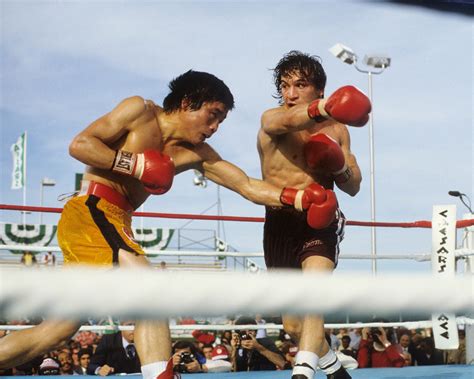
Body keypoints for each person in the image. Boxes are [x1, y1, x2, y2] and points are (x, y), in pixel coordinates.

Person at [0, 70, 320, 378]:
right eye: (213, 114)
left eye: (221, 120)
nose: (215, 126)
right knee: (148, 287)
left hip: (116, 221)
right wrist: (136, 164)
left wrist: (300, 197)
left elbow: (247, 185)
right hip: (92, 211)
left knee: (56, 331)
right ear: (187, 103)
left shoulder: (196, 153)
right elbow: (81, 145)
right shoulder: (139, 111)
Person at [258, 51, 370, 379]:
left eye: (300, 85)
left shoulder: (337, 130)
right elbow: (282, 121)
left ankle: (302, 373)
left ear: (319, 89)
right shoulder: (273, 119)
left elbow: (354, 186)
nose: (290, 93)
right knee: (294, 325)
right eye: (285, 85)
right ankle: (336, 372)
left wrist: (337, 166)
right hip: (279, 221)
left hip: (319, 218)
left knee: (312, 297)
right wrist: (322, 108)